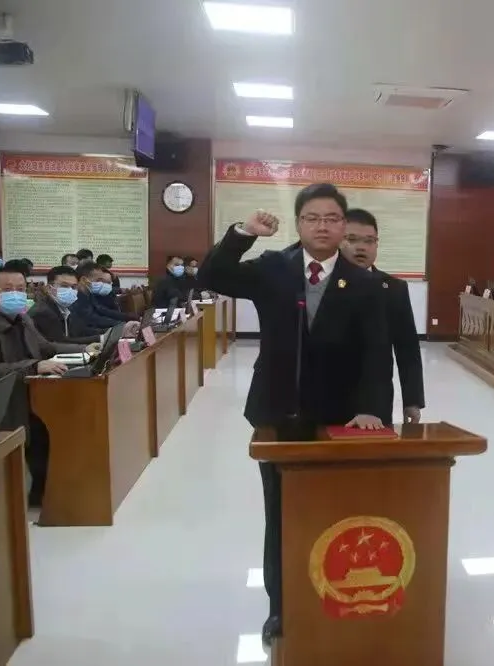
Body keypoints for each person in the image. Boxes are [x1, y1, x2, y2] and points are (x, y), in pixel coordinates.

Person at [200, 183, 391, 646]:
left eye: (332, 218)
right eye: (312, 218)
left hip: (339, 419)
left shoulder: (365, 283)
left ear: (344, 226)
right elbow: (213, 275)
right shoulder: (274, 267)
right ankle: (280, 607)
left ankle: (336, 593)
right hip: (278, 414)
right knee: (281, 514)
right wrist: (244, 233)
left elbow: (375, 353)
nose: (322, 226)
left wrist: (371, 409)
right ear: (300, 223)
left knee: (335, 511)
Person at [0, 266, 94, 506]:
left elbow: (46, 347)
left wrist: (85, 349)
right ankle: (37, 498)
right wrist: (34, 366)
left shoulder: (22, 318)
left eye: (20, 289)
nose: (15, 294)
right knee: (44, 434)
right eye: (7, 289)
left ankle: (48, 495)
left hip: (28, 393)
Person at [341, 207, 425, 424]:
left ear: (376, 244)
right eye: (351, 239)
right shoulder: (321, 284)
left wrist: (412, 400)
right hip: (327, 399)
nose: (361, 247)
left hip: (376, 401)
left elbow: (408, 349)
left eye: (369, 241)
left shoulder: (393, 289)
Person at [29, 266, 101, 344]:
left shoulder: (67, 307)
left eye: (73, 287)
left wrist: (105, 334)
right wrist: (100, 338)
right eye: (64, 286)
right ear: (49, 288)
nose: (70, 290)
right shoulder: (43, 312)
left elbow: (79, 330)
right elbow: (60, 342)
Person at [73, 264, 140, 332]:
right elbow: (92, 319)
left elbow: (102, 310)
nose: (102, 284)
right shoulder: (76, 297)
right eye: (98, 280)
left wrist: (125, 317)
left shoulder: (89, 293)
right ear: (84, 279)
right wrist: (120, 325)